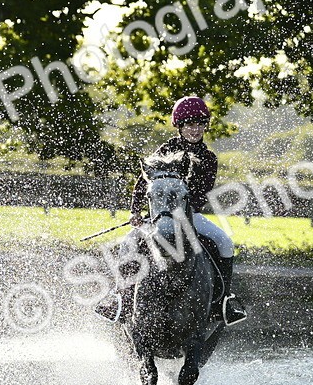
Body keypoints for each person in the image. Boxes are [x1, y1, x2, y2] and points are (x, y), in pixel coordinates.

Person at [95, 95, 248, 326]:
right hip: (158, 217)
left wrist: (179, 211)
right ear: (180, 126)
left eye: (199, 124)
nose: (195, 129)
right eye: (189, 124)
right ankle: (120, 299)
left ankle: (224, 303)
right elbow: (143, 182)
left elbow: (202, 193)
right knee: (128, 243)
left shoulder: (208, 158)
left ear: (205, 125)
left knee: (225, 242)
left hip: (188, 216)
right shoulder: (165, 150)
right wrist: (136, 211)